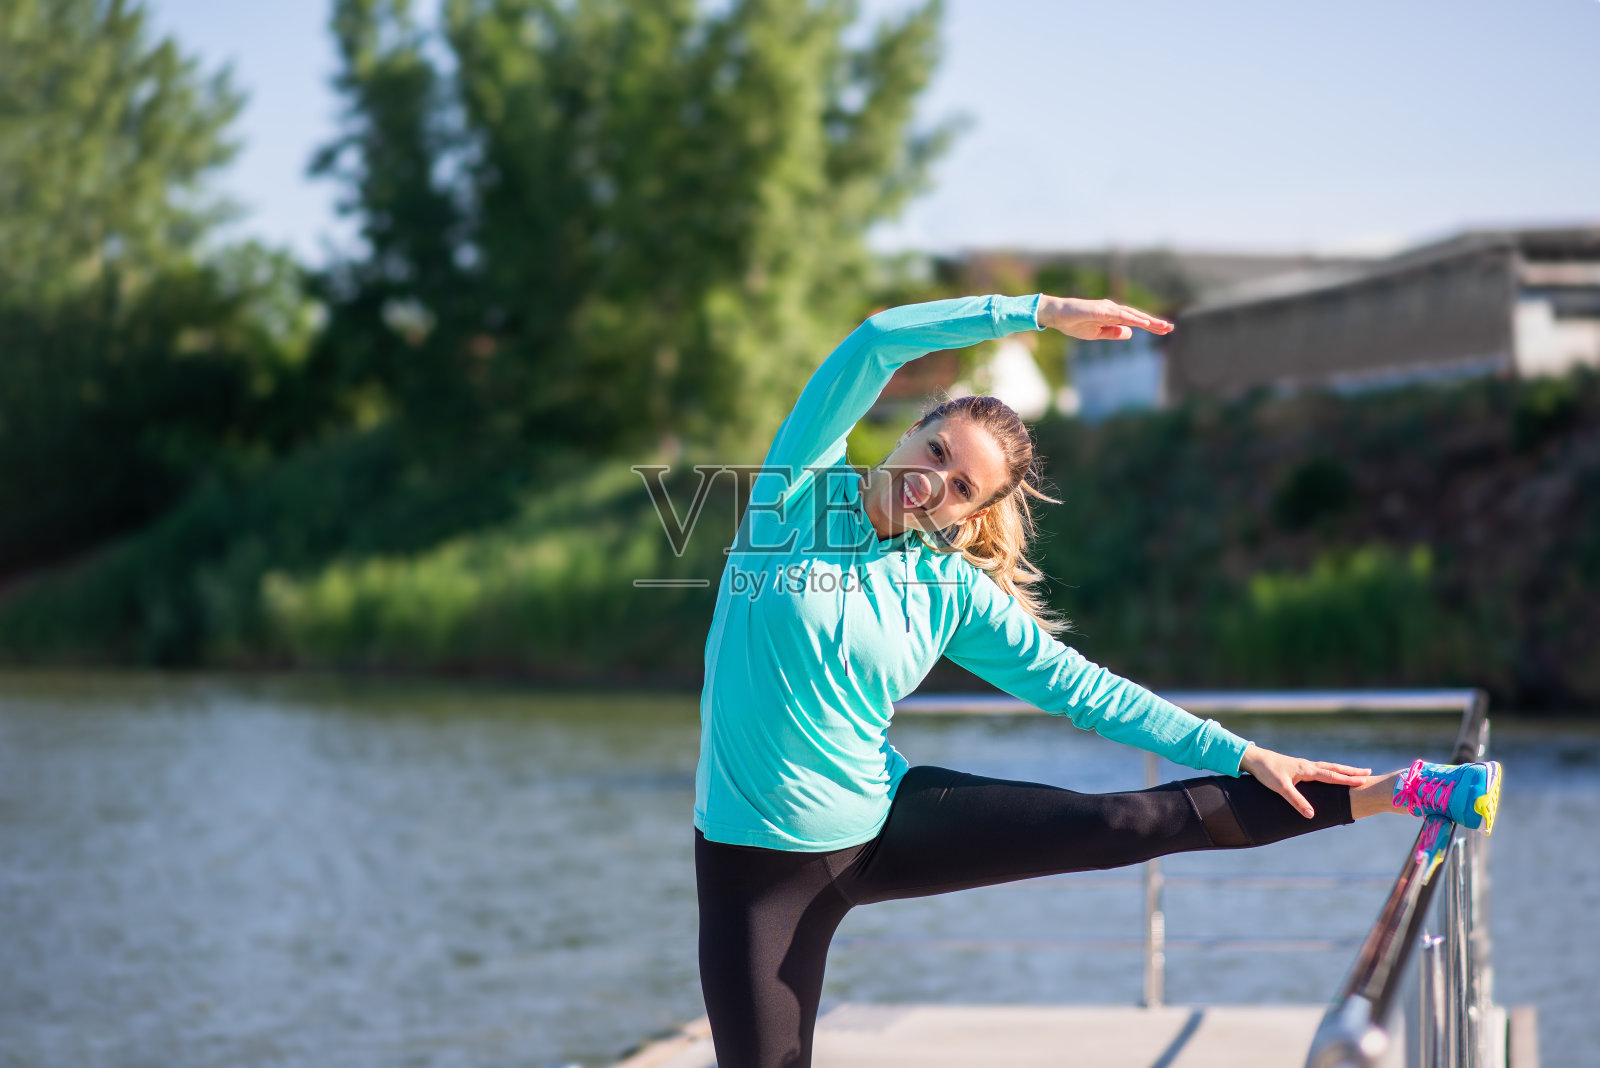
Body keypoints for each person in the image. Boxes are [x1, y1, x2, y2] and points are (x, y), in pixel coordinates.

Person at [692, 292, 1501, 1068]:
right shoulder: (792, 495)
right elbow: (874, 340)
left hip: (882, 822)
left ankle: (1400, 791)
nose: (933, 481)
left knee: (1121, 820)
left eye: (962, 486)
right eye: (936, 451)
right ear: (912, 429)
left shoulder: (949, 593)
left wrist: (1241, 750)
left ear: (970, 514)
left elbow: (1085, 690)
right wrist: (1037, 312)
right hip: (755, 874)